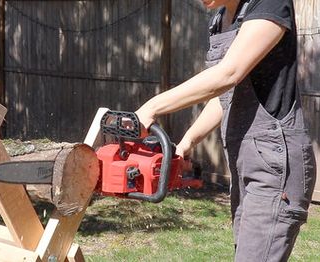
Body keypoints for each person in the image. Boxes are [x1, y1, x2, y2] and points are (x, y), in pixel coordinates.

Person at [135, 0, 317, 261]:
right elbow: (227, 95)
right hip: (246, 164)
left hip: (277, 164)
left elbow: (229, 74)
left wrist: (152, 107)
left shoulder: (270, 5)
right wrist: (187, 143)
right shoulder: (222, 18)